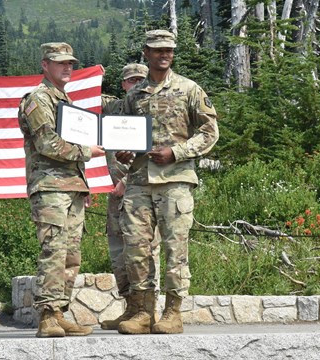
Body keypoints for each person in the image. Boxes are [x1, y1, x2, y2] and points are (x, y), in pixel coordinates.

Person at [115, 30, 219, 335]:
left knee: (176, 248)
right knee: (135, 249)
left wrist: (176, 151)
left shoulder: (189, 89)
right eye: (158, 50)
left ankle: (173, 313)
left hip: (175, 180)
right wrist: (122, 149)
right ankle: (144, 312)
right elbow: (125, 134)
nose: (164, 55)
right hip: (139, 181)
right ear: (146, 52)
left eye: (169, 50)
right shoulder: (133, 95)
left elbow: (210, 131)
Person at [17, 42, 105, 338]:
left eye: (70, 63)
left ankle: (59, 311)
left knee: (71, 255)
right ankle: (46, 316)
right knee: (54, 251)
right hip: (50, 187)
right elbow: (47, 144)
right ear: (45, 65)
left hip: (71, 186)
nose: (67, 67)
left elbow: (69, 147)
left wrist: (83, 183)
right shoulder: (38, 99)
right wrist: (89, 151)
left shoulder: (63, 101)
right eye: (60, 63)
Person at [100, 63, 162, 331]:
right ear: (123, 84)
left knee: (144, 253)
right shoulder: (116, 108)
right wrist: (89, 78)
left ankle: (148, 310)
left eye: (140, 78)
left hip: (142, 194)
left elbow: (157, 152)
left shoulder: (155, 107)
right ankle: (130, 309)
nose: (135, 83)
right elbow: (86, 102)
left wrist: (127, 180)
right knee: (119, 255)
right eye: (129, 80)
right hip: (116, 198)